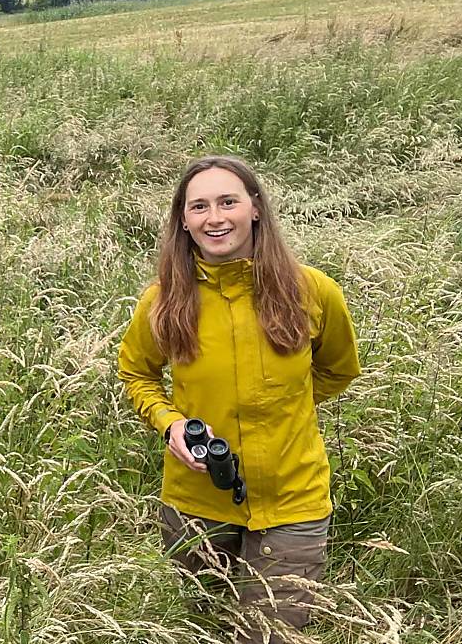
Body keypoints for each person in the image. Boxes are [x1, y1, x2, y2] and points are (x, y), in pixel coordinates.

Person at [118, 155, 361, 643]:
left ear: (254, 208)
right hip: (195, 503)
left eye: (228, 201)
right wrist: (170, 424)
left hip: (294, 500)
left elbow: (338, 368)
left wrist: (283, 406)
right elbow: (136, 373)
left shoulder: (313, 291)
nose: (215, 218)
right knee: (200, 626)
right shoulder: (162, 300)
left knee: (270, 635)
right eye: (199, 207)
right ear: (183, 222)